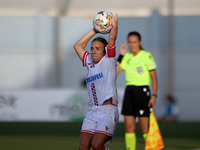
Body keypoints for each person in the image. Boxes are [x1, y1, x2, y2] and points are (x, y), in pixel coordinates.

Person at [74, 13, 119, 150]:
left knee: (96, 145)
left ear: (105, 51)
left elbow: (112, 37)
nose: (93, 51)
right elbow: (78, 46)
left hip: (108, 111)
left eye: (97, 49)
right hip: (93, 111)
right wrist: (95, 29)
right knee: (83, 147)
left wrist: (114, 24)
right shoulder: (89, 62)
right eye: (92, 48)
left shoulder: (109, 61)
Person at [117, 31, 158, 150]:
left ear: (140, 42)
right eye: (129, 42)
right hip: (129, 91)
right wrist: (121, 55)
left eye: (134, 42)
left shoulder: (146, 55)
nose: (132, 44)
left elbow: (154, 77)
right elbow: (116, 71)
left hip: (142, 92)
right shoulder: (127, 57)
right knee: (129, 128)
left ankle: (152, 148)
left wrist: (154, 95)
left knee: (144, 128)